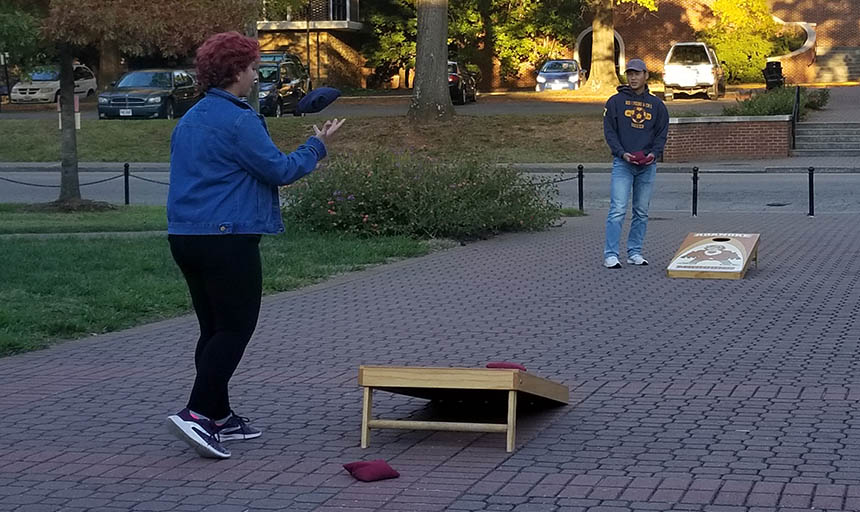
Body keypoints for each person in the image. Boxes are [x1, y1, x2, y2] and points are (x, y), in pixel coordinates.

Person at [165, 31, 345, 459]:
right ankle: (197, 415)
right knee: (234, 329)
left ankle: (220, 415)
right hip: (227, 238)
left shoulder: (191, 118)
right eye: (251, 69)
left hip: (186, 236)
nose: (254, 76)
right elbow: (278, 170)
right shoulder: (239, 119)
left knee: (213, 329)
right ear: (236, 73)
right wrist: (317, 146)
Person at [602, 58, 669, 269]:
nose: (633, 77)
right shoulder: (614, 102)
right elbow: (610, 132)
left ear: (645, 76)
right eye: (629, 73)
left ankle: (635, 252)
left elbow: (661, 134)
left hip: (647, 165)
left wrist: (653, 154)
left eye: (637, 73)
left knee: (641, 211)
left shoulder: (657, 105)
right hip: (623, 163)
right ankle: (611, 254)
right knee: (618, 209)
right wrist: (621, 154)